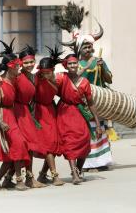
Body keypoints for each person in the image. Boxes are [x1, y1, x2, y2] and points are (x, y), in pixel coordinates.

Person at [0, 39, 30, 191]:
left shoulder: (15, 79)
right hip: (2, 116)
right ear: (9, 67)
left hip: (12, 115)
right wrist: (0, 121)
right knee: (18, 144)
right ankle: (19, 181)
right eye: (16, 65)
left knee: (12, 152)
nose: (19, 67)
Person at [56, 53, 103, 184]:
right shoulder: (61, 78)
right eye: (70, 63)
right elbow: (49, 85)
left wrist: (98, 124)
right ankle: (74, 173)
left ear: (78, 64)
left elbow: (91, 103)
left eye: (75, 63)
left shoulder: (84, 82)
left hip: (79, 112)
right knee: (69, 141)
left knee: (84, 140)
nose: (72, 65)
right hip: (64, 112)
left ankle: (79, 169)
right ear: (66, 65)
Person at [76, 32, 114, 172]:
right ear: (80, 49)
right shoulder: (77, 64)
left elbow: (109, 79)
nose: (87, 49)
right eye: (84, 46)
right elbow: (74, 82)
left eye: (89, 46)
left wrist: (102, 67)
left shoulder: (99, 61)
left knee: (99, 131)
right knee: (86, 133)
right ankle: (85, 164)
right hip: (82, 103)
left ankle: (101, 162)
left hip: (99, 102)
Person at [35, 46, 65, 186]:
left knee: (53, 143)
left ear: (52, 70)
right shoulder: (35, 79)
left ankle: (42, 175)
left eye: (48, 72)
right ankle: (54, 176)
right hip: (39, 112)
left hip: (51, 112)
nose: (45, 74)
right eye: (43, 72)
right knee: (48, 144)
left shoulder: (58, 79)